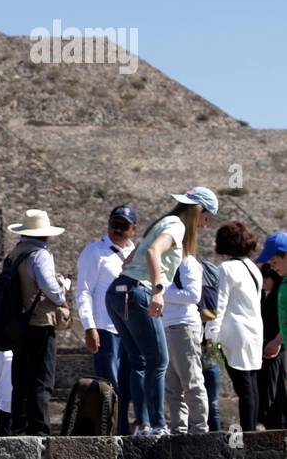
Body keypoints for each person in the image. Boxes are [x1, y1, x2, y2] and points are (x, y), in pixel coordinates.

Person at [108, 187, 218, 436]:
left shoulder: (159, 223)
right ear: (199, 210)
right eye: (207, 218)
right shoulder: (177, 226)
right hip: (138, 292)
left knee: (140, 362)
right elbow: (152, 251)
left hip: (117, 292)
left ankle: (145, 426)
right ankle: (158, 426)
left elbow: (129, 261)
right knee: (159, 362)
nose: (205, 225)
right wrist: (158, 289)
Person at [4, 210, 73, 436]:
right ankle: (39, 429)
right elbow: (50, 288)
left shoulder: (15, 254)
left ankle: (19, 425)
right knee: (41, 378)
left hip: (17, 323)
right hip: (40, 323)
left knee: (21, 378)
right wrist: (63, 290)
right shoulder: (39, 255)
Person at [76, 205, 138, 434]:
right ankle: (108, 433)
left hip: (130, 329)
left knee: (129, 386)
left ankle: (123, 430)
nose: (117, 229)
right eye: (114, 224)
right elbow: (83, 291)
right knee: (109, 386)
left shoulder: (137, 254)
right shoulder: (94, 252)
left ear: (133, 229)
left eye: (123, 226)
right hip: (105, 327)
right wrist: (89, 326)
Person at [207, 222, 264, 432]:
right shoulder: (253, 268)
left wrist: (211, 335)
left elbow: (219, 304)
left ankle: (248, 433)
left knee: (244, 388)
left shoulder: (227, 268)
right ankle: (253, 431)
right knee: (252, 386)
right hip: (254, 331)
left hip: (235, 333)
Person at [161, 255, 209, 433]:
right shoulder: (161, 261)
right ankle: (178, 430)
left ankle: (199, 430)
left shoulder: (187, 261)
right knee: (172, 388)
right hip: (164, 325)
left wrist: (159, 291)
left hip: (184, 326)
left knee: (192, 381)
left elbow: (193, 294)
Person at [256, 232, 287, 429]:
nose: (272, 266)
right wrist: (278, 340)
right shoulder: (284, 282)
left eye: (274, 260)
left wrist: (276, 341)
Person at [0, 349, 14, 436]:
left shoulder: (2, 353)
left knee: (5, 426)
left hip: (4, 396)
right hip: (19, 395)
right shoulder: (22, 350)